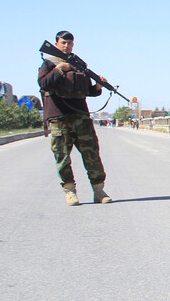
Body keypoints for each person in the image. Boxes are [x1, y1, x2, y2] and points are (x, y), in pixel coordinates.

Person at [37, 30, 112, 206]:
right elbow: (43, 84)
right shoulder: (48, 63)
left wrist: (98, 86)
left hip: (81, 117)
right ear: (56, 43)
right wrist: (58, 70)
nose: (66, 46)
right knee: (62, 157)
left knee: (91, 154)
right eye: (63, 42)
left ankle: (98, 190)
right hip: (59, 117)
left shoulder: (79, 64)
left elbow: (86, 91)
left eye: (69, 43)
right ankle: (70, 191)